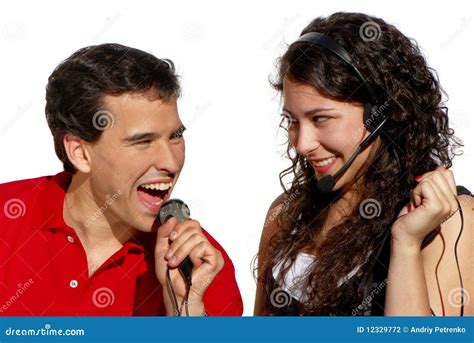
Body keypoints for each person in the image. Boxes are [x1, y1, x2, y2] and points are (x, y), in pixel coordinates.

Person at [254, 12, 473, 316]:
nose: (302, 143)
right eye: (292, 120)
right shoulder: (285, 214)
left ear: (380, 115)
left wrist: (406, 243)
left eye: (321, 119)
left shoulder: (446, 219)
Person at [0, 43, 243, 316]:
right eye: (143, 141)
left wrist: (185, 314)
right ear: (80, 153)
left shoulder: (203, 268)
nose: (171, 162)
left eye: (175, 136)